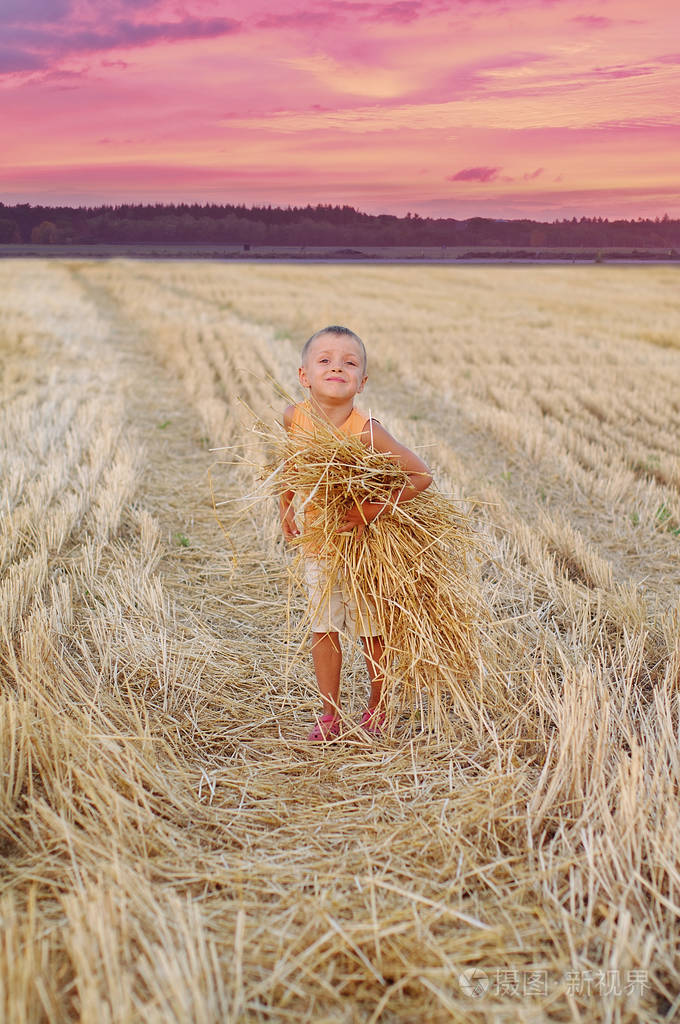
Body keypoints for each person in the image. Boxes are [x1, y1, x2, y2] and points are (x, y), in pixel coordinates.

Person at [279, 325, 433, 741]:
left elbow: (420, 475)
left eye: (349, 362)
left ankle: (377, 708)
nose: (337, 367)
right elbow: (289, 466)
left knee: (372, 629)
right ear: (304, 375)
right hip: (319, 543)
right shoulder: (294, 418)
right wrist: (285, 504)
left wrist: (371, 510)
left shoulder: (366, 431)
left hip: (366, 547)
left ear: (362, 382)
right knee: (323, 626)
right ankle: (329, 714)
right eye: (325, 360)